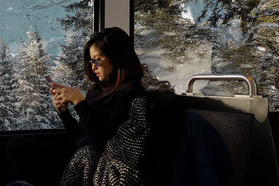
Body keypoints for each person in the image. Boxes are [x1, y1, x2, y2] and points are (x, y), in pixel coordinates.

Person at [49, 27, 231, 185]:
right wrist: (64, 113)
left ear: (116, 59)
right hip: (97, 161)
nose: (93, 66)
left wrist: (80, 103)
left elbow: (102, 145)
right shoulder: (96, 92)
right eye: (91, 61)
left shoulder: (132, 95)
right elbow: (83, 139)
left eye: (98, 59)